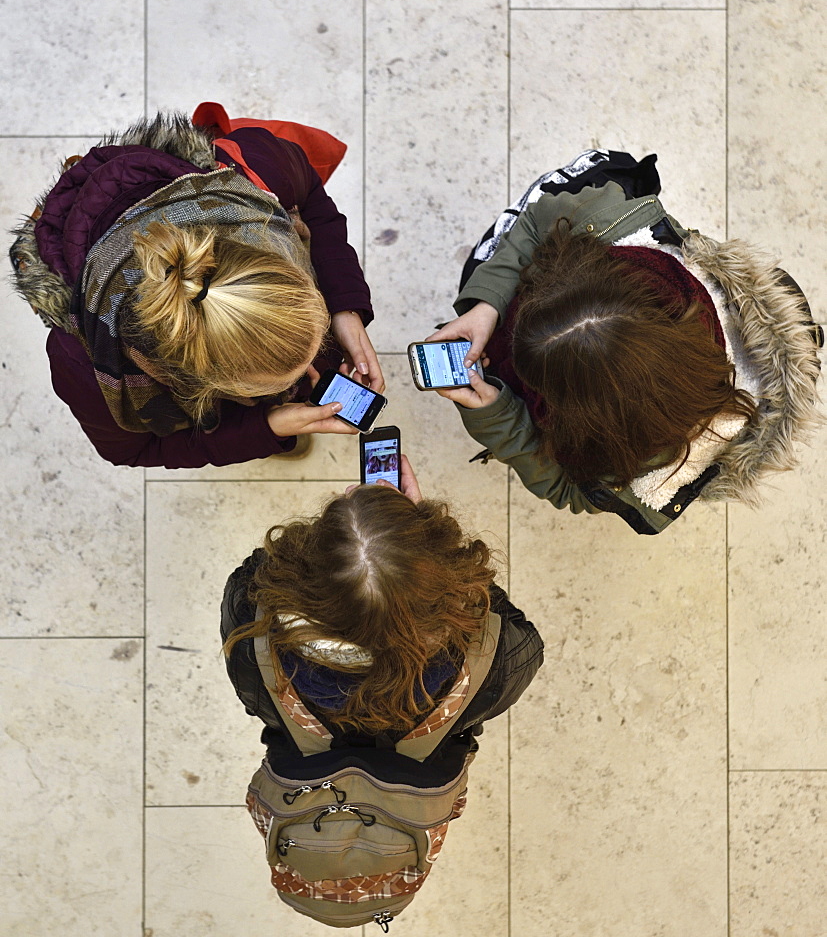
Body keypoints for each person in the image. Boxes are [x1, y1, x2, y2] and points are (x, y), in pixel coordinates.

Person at [428, 150, 822, 535]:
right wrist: (488, 305)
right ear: (577, 274)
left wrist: (498, 418)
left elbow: (573, 490)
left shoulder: (652, 452)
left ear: (595, 421)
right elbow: (534, 222)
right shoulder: (603, 224)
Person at [221, 456, 543, 924]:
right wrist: (413, 558)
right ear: (441, 575)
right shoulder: (492, 661)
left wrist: (373, 548)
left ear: (303, 567)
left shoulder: (254, 631)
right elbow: (513, 633)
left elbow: (256, 574)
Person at [9, 103, 383, 468]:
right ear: (195, 382)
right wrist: (264, 429)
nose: (311, 373)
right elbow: (133, 451)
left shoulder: (256, 172)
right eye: (267, 388)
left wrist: (343, 310)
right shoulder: (82, 365)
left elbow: (313, 198)